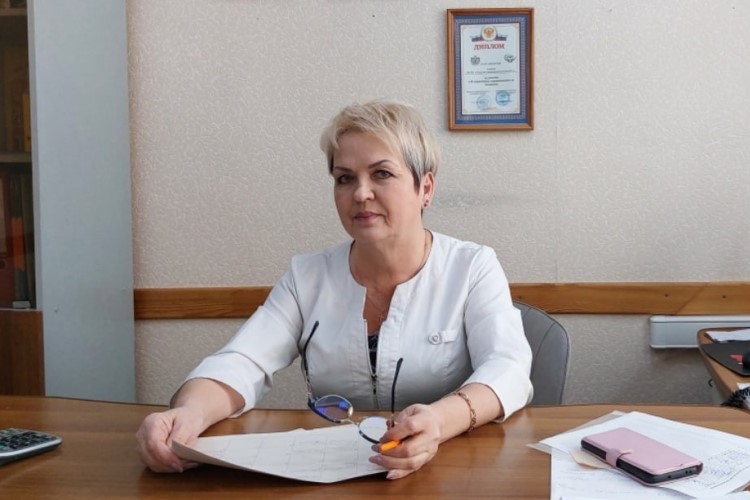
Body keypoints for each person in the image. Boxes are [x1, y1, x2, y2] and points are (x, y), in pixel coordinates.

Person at [136, 99, 533, 480]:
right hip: (333, 474)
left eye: (382, 174)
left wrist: (439, 421)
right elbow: (243, 361)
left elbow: (509, 367)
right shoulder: (307, 276)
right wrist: (189, 413)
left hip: (449, 471)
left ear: (425, 188)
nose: (360, 193)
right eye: (345, 178)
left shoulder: (471, 267)